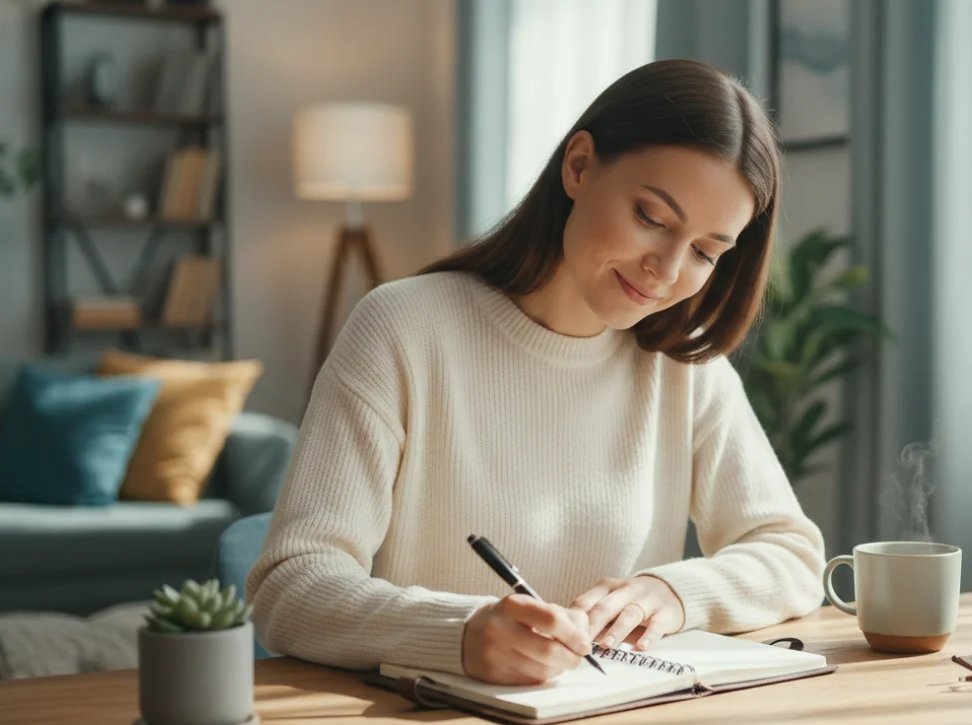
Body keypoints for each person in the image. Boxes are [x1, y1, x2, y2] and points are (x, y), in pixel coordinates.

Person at [246, 59, 825, 686]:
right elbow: (290, 586)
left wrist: (670, 592)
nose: (666, 268)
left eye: (707, 251)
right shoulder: (404, 329)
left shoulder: (682, 366)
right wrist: (461, 635)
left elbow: (791, 554)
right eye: (652, 219)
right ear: (578, 166)